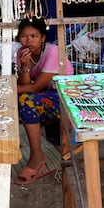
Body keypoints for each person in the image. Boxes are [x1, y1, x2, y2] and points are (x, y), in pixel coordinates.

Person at [15, 17, 74, 185]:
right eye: (24, 36)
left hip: (66, 96)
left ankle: (37, 156)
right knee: (23, 99)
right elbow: (26, 84)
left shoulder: (52, 52)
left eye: (34, 36)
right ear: (19, 38)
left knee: (26, 100)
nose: (29, 40)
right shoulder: (21, 53)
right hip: (48, 94)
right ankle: (30, 151)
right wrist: (24, 66)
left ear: (42, 38)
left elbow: (34, 88)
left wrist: (9, 89)